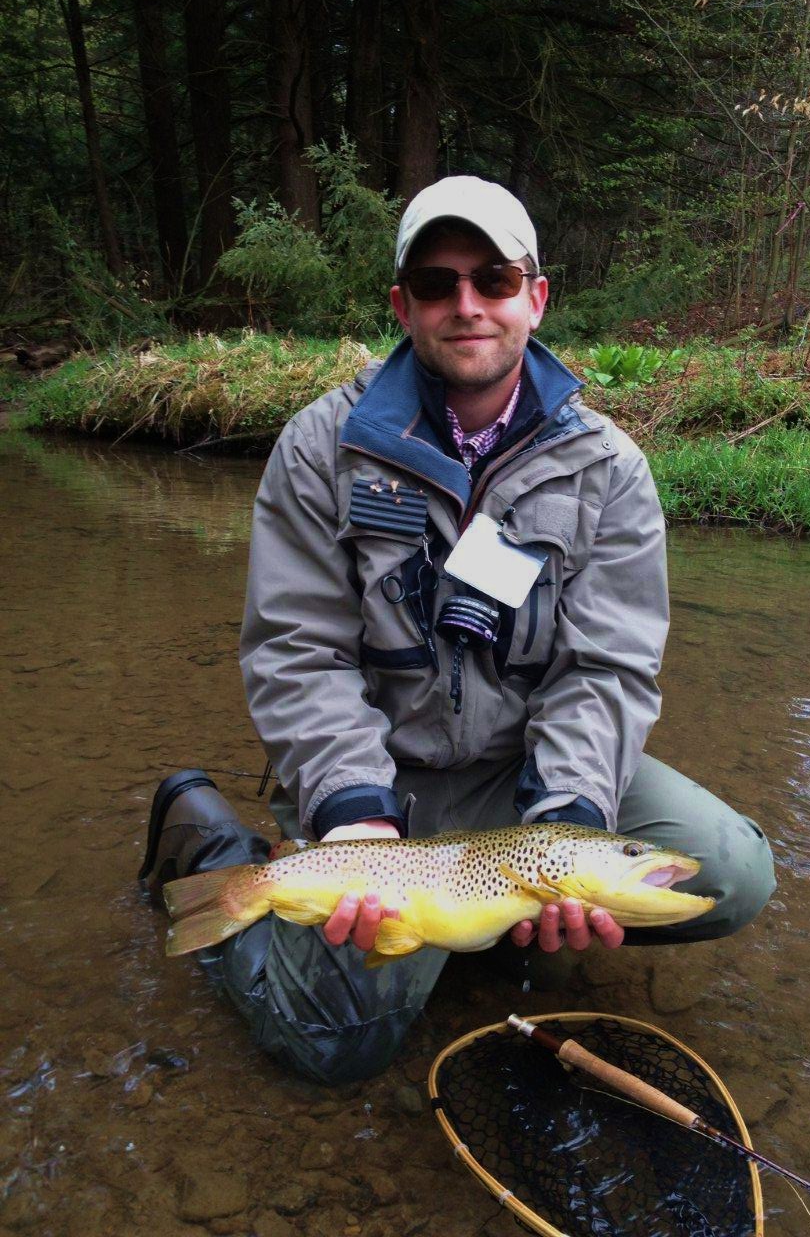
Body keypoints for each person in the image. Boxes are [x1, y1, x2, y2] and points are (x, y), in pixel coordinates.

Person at [140, 176, 776, 1084]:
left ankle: (477, 922)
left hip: (523, 789)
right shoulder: (322, 448)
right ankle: (212, 842)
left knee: (727, 873)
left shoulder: (610, 471)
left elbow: (605, 670)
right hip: (374, 789)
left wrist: (573, 814)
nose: (467, 305)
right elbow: (297, 650)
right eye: (437, 284)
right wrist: (350, 810)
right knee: (330, 1047)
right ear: (403, 305)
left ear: (537, 296)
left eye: (495, 278)